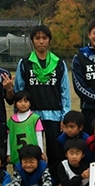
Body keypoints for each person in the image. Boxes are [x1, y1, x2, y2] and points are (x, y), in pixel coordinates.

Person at [15, 24, 71, 173]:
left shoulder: (59, 63)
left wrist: (64, 116)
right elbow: (19, 90)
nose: (41, 41)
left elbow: (64, 91)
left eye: (44, 38)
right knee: (33, 153)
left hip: (54, 114)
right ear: (32, 40)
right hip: (31, 116)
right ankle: (35, 185)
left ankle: (55, 185)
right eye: (37, 38)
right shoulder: (24, 63)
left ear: (49, 40)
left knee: (55, 152)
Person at [7, 91, 45, 166]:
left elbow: (39, 136)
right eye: (20, 101)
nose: (23, 104)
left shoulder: (35, 118)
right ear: (14, 103)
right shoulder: (11, 121)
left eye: (26, 101)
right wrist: (8, 153)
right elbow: (9, 138)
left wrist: (41, 152)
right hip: (16, 155)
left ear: (30, 103)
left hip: (32, 154)